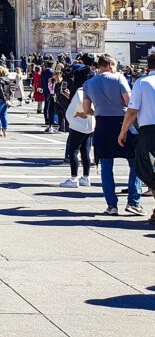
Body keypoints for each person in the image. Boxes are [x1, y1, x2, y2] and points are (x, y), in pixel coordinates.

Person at [82, 54, 142, 216]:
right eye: (114, 65)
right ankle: (133, 202)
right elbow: (130, 103)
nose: (116, 68)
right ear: (109, 64)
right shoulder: (119, 78)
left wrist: (99, 112)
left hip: (102, 125)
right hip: (123, 124)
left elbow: (86, 109)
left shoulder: (88, 83)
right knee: (134, 163)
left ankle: (112, 205)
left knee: (106, 167)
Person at [120, 53, 155, 222]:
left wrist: (123, 131)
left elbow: (132, 111)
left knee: (147, 169)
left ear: (148, 66)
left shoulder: (142, 82)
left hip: (149, 131)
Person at [61, 84, 95, 188]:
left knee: (73, 151)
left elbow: (80, 103)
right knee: (85, 151)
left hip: (79, 124)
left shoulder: (82, 91)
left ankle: (74, 178)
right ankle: (85, 177)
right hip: (89, 126)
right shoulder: (94, 90)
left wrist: (81, 113)